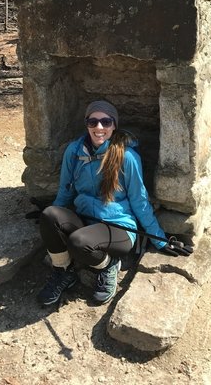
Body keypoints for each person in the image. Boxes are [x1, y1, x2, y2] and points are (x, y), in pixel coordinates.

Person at [38, 100, 171, 307]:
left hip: (118, 226)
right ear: (87, 124)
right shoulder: (74, 152)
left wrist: (160, 239)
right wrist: (51, 222)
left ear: (114, 125)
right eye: (93, 122)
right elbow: (66, 190)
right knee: (48, 215)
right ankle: (64, 271)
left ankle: (108, 266)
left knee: (79, 242)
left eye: (106, 122)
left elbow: (140, 200)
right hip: (87, 221)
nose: (99, 128)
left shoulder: (127, 157)